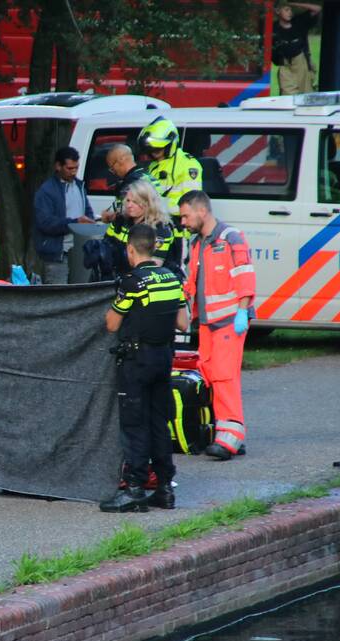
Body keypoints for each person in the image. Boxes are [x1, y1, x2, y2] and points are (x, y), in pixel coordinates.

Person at [99, 223, 189, 513]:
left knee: (134, 424)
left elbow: (112, 324)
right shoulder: (172, 278)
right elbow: (183, 323)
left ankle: (135, 488)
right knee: (159, 423)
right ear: (154, 247)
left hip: (137, 361)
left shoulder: (133, 282)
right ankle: (164, 488)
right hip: (164, 358)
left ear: (130, 249)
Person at [179, 191, 255, 461]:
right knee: (210, 374)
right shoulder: (198, 243)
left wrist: (242, 311)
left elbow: (245, 275)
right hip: (207, 323)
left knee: (224, 377)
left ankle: (229, 438)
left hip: (229, 321)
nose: (183, 222)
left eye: (186, 216)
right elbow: (192, 281)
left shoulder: (230, 238)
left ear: (201, 211)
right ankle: (230, 433)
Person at [139, 116, 203, 267]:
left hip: (177, 234)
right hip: (154, 230)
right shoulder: (154, 166)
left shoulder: (188, 165)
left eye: (158, 148)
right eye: (152, 149)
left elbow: (191, 204)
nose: (154, 152)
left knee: (175, 273)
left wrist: (157, 207)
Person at [33, 146, 96, 284]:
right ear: (58, 166)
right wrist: (74, 223)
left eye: (76, 168)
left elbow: (87, 211)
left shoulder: (79, 186)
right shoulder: (47, 191)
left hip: (80, 250)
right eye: (69, 168)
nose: (74, 172)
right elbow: (45, 223)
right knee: (58, 290)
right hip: (57, 252)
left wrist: (92, 220)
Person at [98, 144, 159, 277]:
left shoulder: (130, 184)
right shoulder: (148, 176)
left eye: (112, 167)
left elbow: (125, 213)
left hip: (139, 240)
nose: (113, 172)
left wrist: (110, 217)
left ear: (120, 160)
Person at [121, 179, 181, 278]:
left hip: (155, 280)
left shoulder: (161, 227)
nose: (129, 205)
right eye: (128, 200)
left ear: (148, 203)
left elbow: (154, 266)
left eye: (135, 202)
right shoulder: (123, 221)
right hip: (127, 276)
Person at [273, 2, 320, 96]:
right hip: (285, 66)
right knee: (287, 96)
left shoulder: (299, 21)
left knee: (306, 95)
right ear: (277, 11)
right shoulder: (274, 28)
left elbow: (317, 8)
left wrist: (294, 3)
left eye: (291, 10)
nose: (290, 12)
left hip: (301, 63)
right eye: (286, 10)